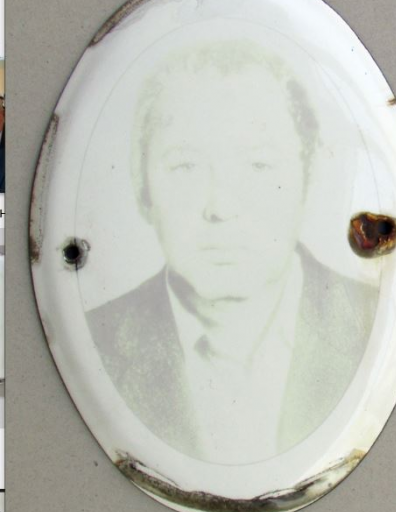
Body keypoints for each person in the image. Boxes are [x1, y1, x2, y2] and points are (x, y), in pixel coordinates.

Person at [88, 40, 377, 465]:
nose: (220, 207)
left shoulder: (374, 322)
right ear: (141, 184)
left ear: (308, 177)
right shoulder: (95, 341)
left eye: (258, 165)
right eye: (186, 166)